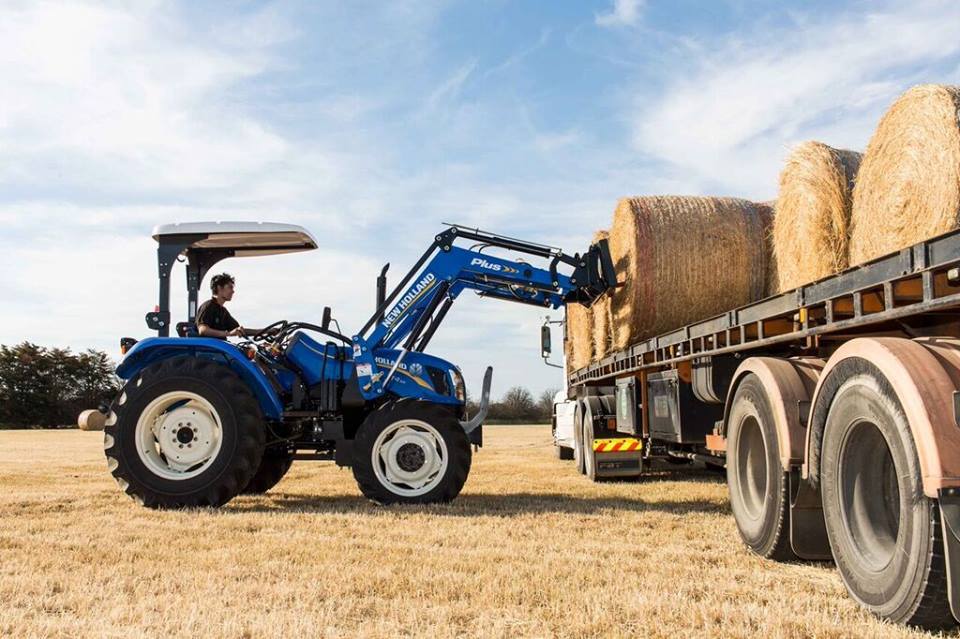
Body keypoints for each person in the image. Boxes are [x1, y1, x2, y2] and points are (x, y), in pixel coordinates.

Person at [196, 273, 246, 339]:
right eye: (230, 287)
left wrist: (261, 331)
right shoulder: (208, 306)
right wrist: (229, 334)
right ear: (219, 288)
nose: (233, 291)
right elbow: (203, 330)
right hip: (211, 347)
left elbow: (238, 330)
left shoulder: (223, 311)